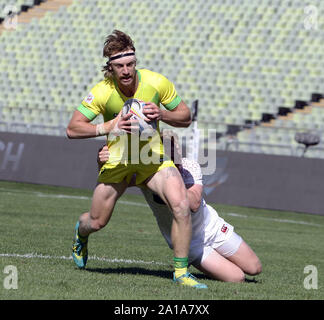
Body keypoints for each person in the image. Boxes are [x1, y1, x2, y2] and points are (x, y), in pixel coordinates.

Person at [66, 30, 207, 289]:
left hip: (152, 159)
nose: (126, 70)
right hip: (118, 160)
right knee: (97, 221)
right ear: (110, 68)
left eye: (130, 64)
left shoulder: (155, 82)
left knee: (181, 206)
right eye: (119, 66)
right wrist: (106, 127)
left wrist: (162, 114)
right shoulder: (101, 92)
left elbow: (185, 117)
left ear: (135, 61)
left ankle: (181, 272)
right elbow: (72, 129)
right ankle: (80, 233)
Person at [97, 131, 262, 282]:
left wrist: (171, 184)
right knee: (237, 278)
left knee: (255, 268)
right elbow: (112, 183)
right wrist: (104, 163)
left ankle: (213, 262)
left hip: (212, 227)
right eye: (167, 148)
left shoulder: (190, 166)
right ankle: (199, 262)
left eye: (175, 147)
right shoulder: (145, 173)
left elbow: (195, 203)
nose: (174, 152)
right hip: (190, 243)